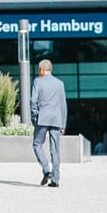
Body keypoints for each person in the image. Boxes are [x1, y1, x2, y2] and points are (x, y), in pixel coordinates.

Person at [30, 58, 67, 188]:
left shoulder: (37, 81)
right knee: (55, 150)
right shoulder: (59, 83)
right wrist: (63, 123)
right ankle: (56, 179)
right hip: (57, 119)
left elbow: (33, 101)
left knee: (37, 144)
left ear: (41, 69)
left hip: (42, 118)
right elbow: (63, 105)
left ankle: (46, 170)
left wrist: (35, 116)